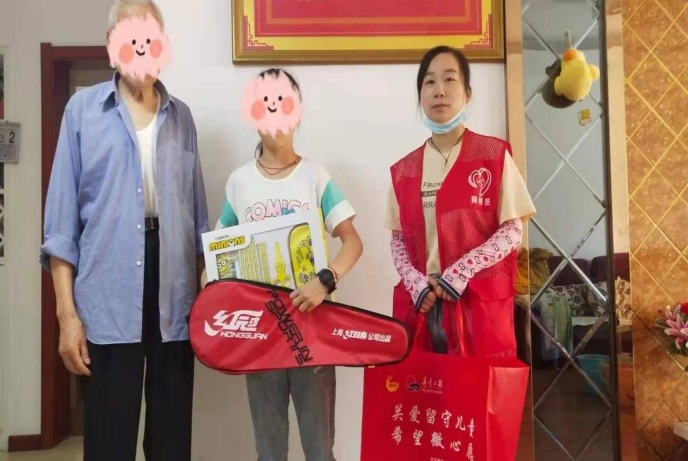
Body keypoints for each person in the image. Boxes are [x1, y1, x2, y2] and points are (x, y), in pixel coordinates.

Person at [40, 1, 209, 460]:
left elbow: (198, 223)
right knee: (108, 442)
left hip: (174, 294)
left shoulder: (182, 118)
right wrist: (67, 317)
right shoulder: (81, 112)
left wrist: (208, 299)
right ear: (111, 44)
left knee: (171, 443)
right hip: (108, 291)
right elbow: (60, 229)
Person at [216, 68, 362, 461]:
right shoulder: (239, 183)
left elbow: (352, 242)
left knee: (319, 449)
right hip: (261, 337)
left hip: (313, 332)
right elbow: (218, 257)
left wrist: (325, 281)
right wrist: (212, 298)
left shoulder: (315, 177)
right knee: (269, 451)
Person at [385, 45, 535, 357]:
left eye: (449, 79)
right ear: (420, 96)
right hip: (424, 306)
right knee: (424, 386)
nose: (439, 90)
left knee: (479, 387)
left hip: (478, 308)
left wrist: (461, 271)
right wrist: (414, 282)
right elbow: (398, 240)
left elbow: (512, 230)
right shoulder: (404, 171)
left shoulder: (492, 156)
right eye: (429, 82)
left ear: (467, 93)